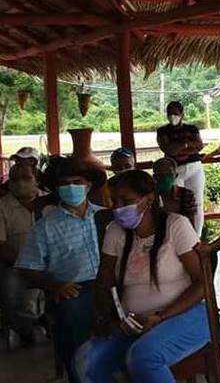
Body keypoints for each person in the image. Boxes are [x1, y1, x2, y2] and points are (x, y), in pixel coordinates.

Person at [75, 170, 208, 383]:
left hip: (186, 316)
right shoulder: (115, 231)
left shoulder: (175, 225)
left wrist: (161, 317)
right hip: (134, 324)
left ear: (148, 199)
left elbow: (203, 283)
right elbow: (104, 280)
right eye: (114, 201)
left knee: (144, 357)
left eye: (125, 200)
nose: (117, 207)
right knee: (86, 360)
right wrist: (102, 317)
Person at [15, 158, 105, 383]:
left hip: (114, 283)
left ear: (89, 185)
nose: (72, 187)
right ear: (56, 189)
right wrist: (54, 286)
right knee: (71, 317)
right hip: (74, 287)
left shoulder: (106, 216)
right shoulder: (45, 227)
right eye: (65, 183)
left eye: (77, 182)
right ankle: (81, 377)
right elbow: (28, 266)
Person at [0, 163, 41, 344]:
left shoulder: (50, 201)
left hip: (53, 262)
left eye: (26, 178)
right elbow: (0, 245)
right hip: (17, 263)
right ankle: (24, 329)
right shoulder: (2, 206)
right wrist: (27, 264)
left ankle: (52, 324)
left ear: (36, 180)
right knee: (10, 290)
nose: (20, 183)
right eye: (15, 179)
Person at [157, 101, 206, 235]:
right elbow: (169, 150)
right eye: (170, 114)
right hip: (175, 171)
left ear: (182, 114)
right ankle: (180, 235)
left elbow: (199, 145)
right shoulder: (162, 131)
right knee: (176, 204)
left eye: (176, 114)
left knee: (197, 203)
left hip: (194, 169)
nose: (173, 116)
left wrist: (179, 148)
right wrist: (188, 146)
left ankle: (197, 236)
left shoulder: (192, 129)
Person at [152, 158, 198, 229]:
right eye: (160, 175)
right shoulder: (150, 196)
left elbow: (190, 223)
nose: (165, 179)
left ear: (175, 176)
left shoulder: (185, 194)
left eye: (169, 175)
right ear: (154, 177)